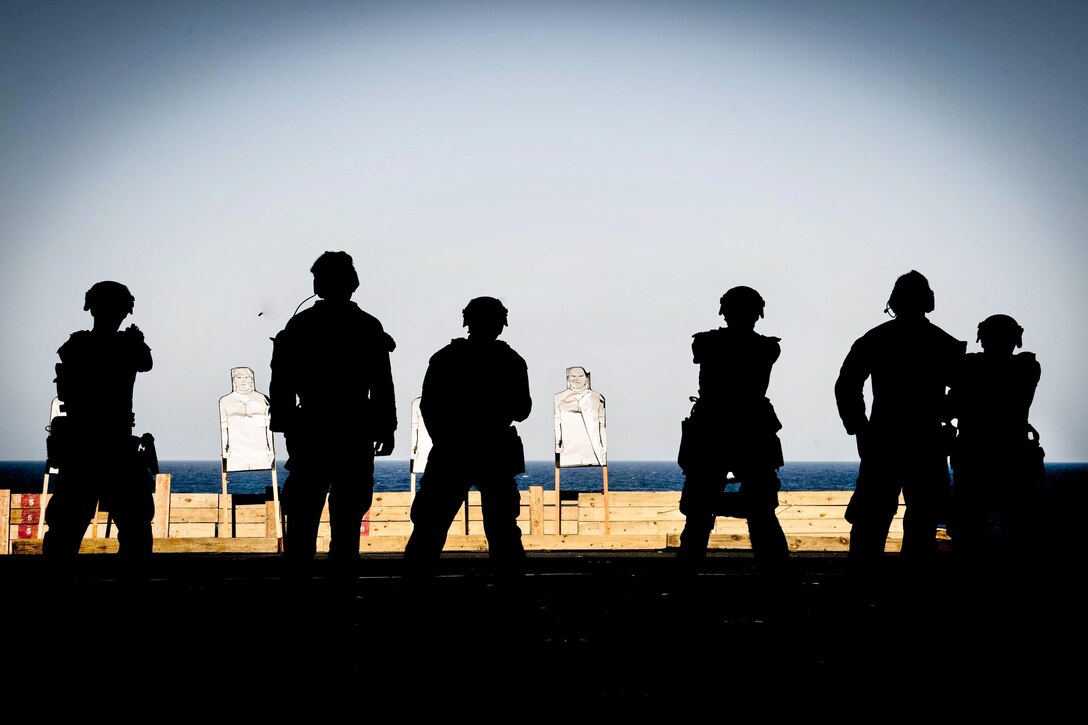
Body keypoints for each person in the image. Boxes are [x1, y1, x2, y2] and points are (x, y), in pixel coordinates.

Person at [269, 251, 397, 565]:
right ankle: (341, 582)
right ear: (352, 284)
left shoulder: (299, 326)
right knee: (348, 515)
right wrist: (386, 427)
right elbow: (382, 384)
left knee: (302, 513)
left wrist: (285, 421)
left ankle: (300, 582)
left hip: (310, 428)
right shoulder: (368, 326)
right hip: (355, 429)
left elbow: (281, 381)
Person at [834, 270, 965, 567]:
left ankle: (862, 584)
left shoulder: (876, 339)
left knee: (872, 519)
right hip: (925, 441)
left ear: (894, 301)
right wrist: (945, 416)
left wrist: (859, 428)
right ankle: (911, 589)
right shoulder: (944, 343)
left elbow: (847, 384)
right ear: (928, 301)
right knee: (922, 519)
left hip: (884, 439)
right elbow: (962, 390)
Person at [404, 296, 531, 574]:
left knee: (429, 527)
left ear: (467, 322)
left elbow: (429, 407)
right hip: (495, 451)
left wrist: (445, 440)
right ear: (501, 324)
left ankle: (415, 587)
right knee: (503, 530)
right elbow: (523, 410)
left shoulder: (444, 359)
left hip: (451, 451)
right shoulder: (511, 361)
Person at [676, 286, 790, 569]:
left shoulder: (705, 343)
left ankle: (686, 577)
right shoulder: (768, 348)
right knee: (762, 513)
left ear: (724, 311)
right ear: (758, 314)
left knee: (699, 514)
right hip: (751, 429)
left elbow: (702, 351)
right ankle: (776, 578)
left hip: (712, 429)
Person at [42, 281, 155, 562]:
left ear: (90, 307)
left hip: (81, 446)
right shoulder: (128, 346)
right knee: (135, 527)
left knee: (65, 529)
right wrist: (136, 339)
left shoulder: (76, 346)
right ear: (125, 310)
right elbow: (145, 362)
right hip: (114, 444)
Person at [948, 314, 1042, 562]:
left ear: (983, 338)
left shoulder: (969, 368)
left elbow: (950, 406)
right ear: (1015, 339)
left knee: (968, 531)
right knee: (1017, 530)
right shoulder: (1028, 367)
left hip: (973, 457)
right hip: (1014, 456)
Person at [219, 367, 275, 472]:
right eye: (239, 377)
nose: (243, 380)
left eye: (246, 377)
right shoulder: (225, 401)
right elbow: (224, 428)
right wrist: (225, 451)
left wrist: (271, 450)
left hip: (260, 451)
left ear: (251, 379)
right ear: (234, 380)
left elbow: (268, 429)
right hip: (236, 453)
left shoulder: (262, 399)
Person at [554, 366, 607, 467]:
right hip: (568, 450)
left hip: (593, 451)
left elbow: (601, 426)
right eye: (573, 376)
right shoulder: (559, 398)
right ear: (568, 378)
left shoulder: (596, 397)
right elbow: (558, 424)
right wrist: (558, 446)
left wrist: (603, 450)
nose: (577, 379)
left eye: (580, 376)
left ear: (586, 378)